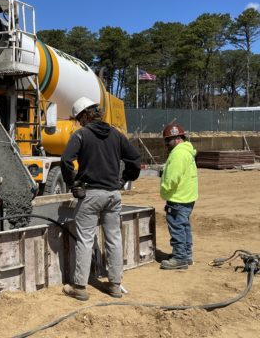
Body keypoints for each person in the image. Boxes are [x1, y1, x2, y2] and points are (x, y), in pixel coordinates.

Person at [60, 97, 141, 301]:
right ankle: (115, 285)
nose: (79, 123)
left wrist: (73, 184)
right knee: (114, 239)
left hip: (91, 195)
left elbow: (66, 160)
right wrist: (124, 179)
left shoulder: (81, 136)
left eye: (79, 119)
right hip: (113, 195)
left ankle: (80, 287)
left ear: (86, 116)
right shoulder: (116, 135)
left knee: (85, 240)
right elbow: (135, 159)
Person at [159, 123, 198, 270]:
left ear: (176, 139)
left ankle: (180, 258)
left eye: (167, 141)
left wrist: (164, 187)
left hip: (178, 198)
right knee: (184, 226)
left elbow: (172, 178)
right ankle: (186, 255)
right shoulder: (187, 151)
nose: (166, 144)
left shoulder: (178, 154)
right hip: (187, 197)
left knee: (177, 227)